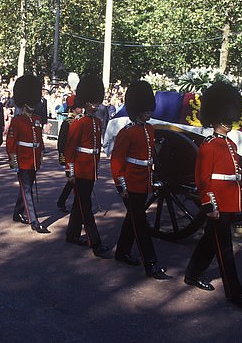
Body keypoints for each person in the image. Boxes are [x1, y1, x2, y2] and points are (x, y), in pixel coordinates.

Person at [184, 81, 242, 309]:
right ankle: (235, 292)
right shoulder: (209, 145)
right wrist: (210, 204)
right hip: (217, 203)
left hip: (228, 201)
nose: (228, 122)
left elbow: (232, 176)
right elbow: (203, 179)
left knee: (210, 240)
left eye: (230, 117)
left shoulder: (230, 144)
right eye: (224, 118)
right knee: (225, 249)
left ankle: (192, 273)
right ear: (215, 118)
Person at [111, 80, 169, 278]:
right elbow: (117, 162)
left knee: (132, 219)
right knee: (141, 223)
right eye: (145, 110)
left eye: (149, 110)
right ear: (136, 110)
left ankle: (122, 252)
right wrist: (121, 186)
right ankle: (151, 263)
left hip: (144, 182)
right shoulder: (127, 132)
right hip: (131, 183)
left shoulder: (149, 129)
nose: (148, 113)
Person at [64, 74, 110, 257]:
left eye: (97, 101)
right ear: (85, 102)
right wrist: (70, 171)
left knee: (79, 204)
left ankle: (72, 235)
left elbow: (95, 149)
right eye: (93, 102)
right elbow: (70, 149)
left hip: (90, 169)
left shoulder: (97, 123)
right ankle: (95, 242)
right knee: (86, 206)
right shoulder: (78, 123)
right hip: (81, 170)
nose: (96, 105)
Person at [6, 74, 49, 233]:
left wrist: (40, 157)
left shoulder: (37, 119)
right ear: (24, 104)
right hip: (23, 160)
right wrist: (14, 162)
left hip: (33, 160)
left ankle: (17, 213)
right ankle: (34, 221)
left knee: (26, 188)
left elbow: (39, 141)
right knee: (28, 190)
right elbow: (11, 143)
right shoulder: (17, 121)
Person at [55, 95, 80, 214]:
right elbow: (61, 142)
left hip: (78, 156)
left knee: (75, 180)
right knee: (72, 180)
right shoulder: (68, 123)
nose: (81, 109)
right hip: (70, 156)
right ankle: (62, 201)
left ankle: (66, 201)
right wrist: (63, 157)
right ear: (73, 108)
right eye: (79, 107)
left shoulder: (80, 121)